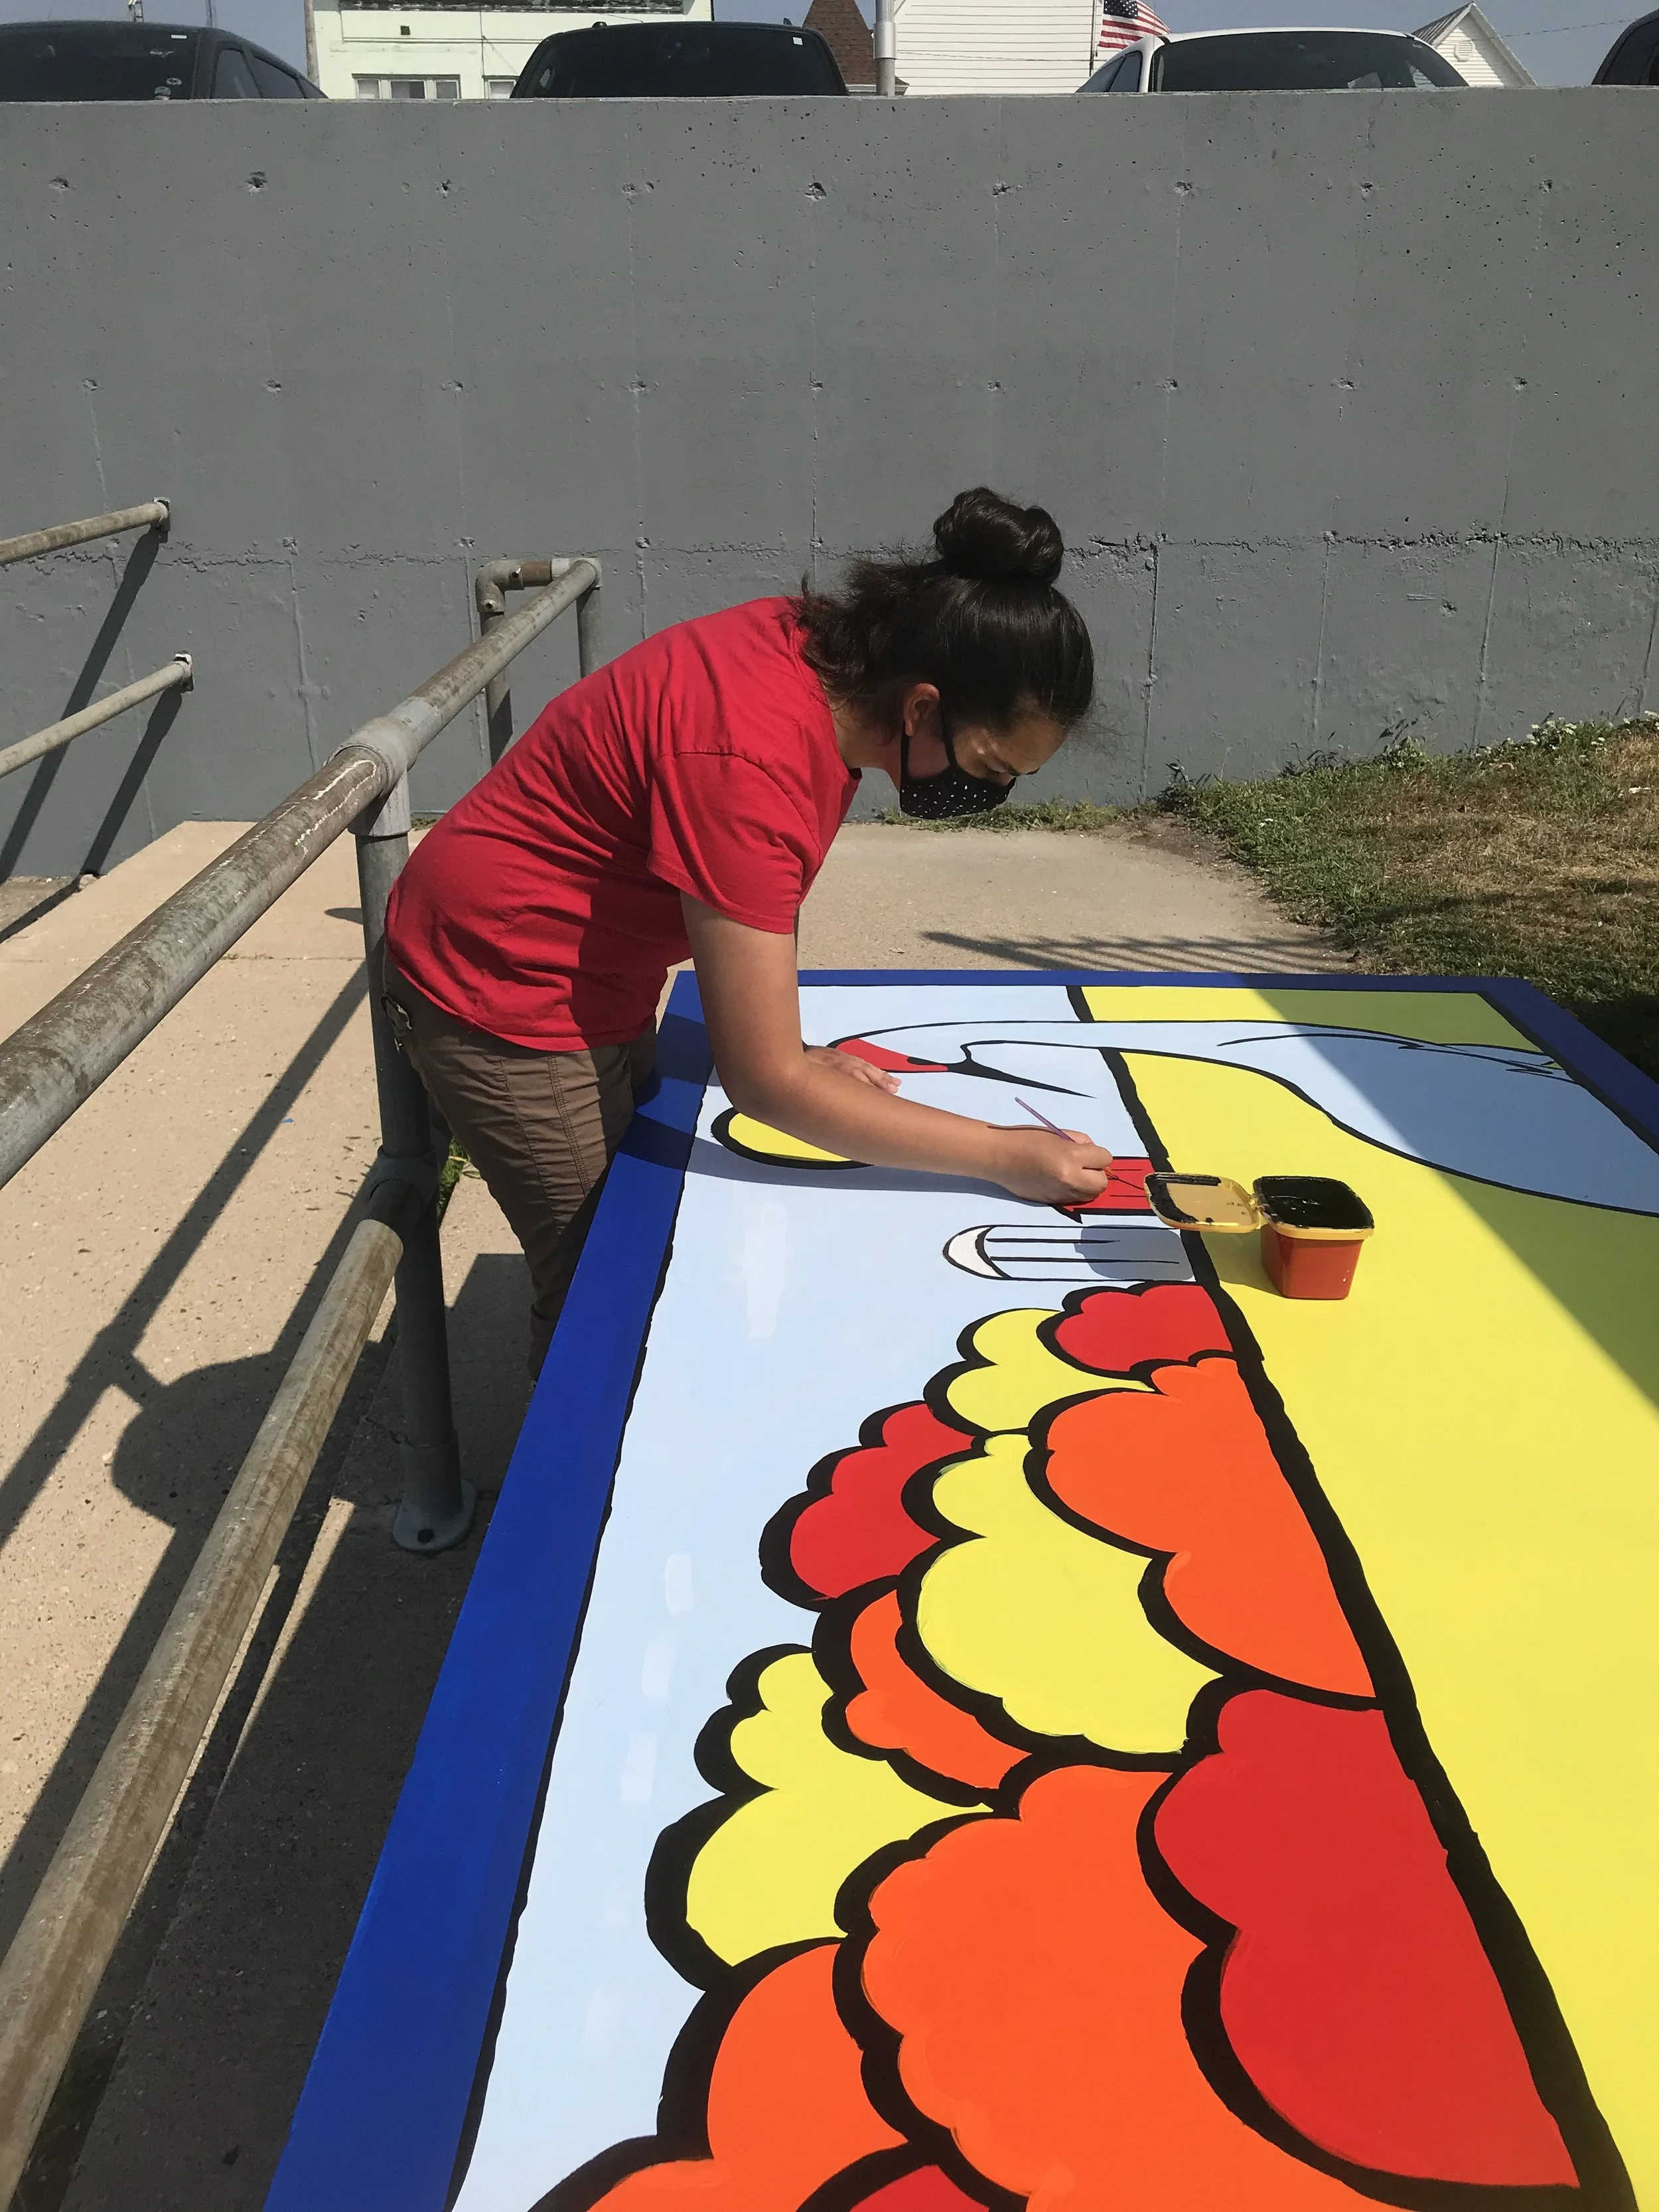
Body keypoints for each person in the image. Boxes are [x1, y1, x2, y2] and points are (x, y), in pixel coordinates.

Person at [382, 486, 1112, 1373]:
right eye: (992, 768)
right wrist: (1002, 1154)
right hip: (503, 987)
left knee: (633, 1228)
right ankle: (574, 1492)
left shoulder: (818, 652)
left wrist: (795, 1055)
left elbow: (752, 932)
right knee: (609, 1295)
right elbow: (763, 1084)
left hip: (584, 961)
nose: (991, 796)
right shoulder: (751, 761)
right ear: (922, 709)